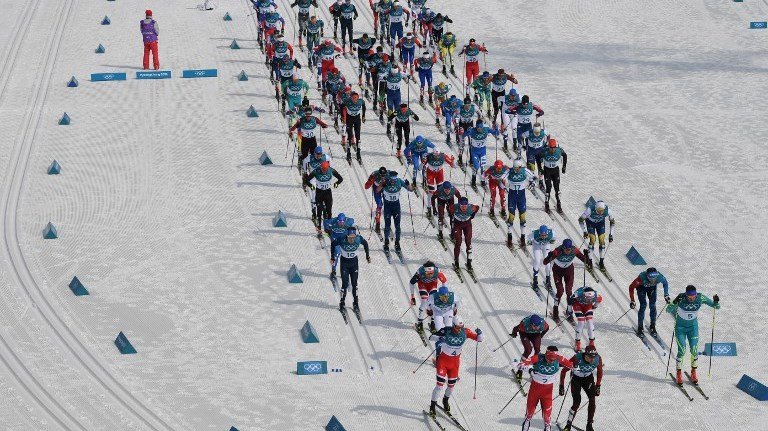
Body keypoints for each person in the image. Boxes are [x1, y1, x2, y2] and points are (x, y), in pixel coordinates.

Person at [427, 316, 482, 417]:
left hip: (454, 364)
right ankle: (432, 407)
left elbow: (479, 339)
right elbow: (431, 337)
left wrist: (480, 333)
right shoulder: (446, 330)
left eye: (460, 327)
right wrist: (440, 338)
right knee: (439, 385)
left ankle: (445, 401)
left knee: (451, 386)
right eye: (457, 327)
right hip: (443, 362)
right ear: (452, 325)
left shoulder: (465, 332)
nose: (459, 329)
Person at [666, 285, 720, 384]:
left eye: (694, 297)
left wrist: (716, 301)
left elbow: (716, 307)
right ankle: (678, 373)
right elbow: (668, 310)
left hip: (693, 328)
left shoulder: (701, 298)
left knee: (694, 350)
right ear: (686, 295)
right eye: (690, 297)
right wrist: (673, 302)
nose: (692, 299)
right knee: (682, 350)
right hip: (680, 328)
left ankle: (693, 372)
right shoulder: (681, 297)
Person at [518, 346, 573, 431]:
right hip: (535, 390)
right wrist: (530, 370)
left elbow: (572, 365)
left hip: (547, 392)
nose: (551, 361)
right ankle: (526, 423)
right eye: (550, 359)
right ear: (546, 355)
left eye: (553, 359)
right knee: (530, 413)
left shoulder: (559, 359)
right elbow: (521, 365)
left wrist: (575, 369)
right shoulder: (538, 357)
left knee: (547, 417)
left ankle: (547, 427)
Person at [559, 345, 603, 431]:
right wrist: (561, 385)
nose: (592, 359)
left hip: (588, 378)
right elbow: (564, 370)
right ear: (585, 355)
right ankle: (568, 425)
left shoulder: (598, 358)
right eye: (590, 357)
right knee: (577, 402)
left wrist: (598, 385)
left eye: (594, 357)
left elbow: (600, 371)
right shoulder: (577, 358)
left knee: (592, 399)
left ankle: (589, 425)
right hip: (576, 379)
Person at [543, 239, 589, 319]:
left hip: (569, 270)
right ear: (563, 248)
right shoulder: (557, 251)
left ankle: (569, 310)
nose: (568, 251)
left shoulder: (574, 250)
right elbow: (545, 262)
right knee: (560, 291)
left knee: (569, 291)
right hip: (558, 270)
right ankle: (555, 310)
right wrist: (549, 256)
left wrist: (586, 256)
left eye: (569, 249)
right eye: (566, 249)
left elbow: (586, 261)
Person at [331, 227, 370, 311]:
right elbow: (333, 244)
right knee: (344, 284)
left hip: (354, 264)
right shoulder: (342, 239)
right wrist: (332, 257)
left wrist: (367, 256)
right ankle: (342, 302)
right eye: (350, 237)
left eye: (353, 237)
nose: (352, 239)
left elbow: (366, 243)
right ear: (347, 236)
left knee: (354, 284)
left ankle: (356, 303)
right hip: (344, 264)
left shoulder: (358, 238)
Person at [377, 170, 415, 252]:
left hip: (396, 206)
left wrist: (408, 184)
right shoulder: (386, 181)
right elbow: (377, 190)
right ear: (389, 178)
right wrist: (382, 185)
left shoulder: (399, 181)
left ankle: (397, 243)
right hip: (387, 206)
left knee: (397, 226)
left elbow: (411, 190)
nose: (393, 181)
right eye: (392, 179)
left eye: (394, 179)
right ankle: (386, 243)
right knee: (387, 225)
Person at [503, 159, 536, 248]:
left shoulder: (524, 170)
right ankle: (509, 237)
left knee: (522, 217)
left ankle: (522, 238)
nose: (516, 170)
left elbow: (533, 177)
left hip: (521, 197)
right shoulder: (509, 171)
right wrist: (503, 186)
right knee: (511, 217)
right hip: (512, 196)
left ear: (520, 167)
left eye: (518, 168)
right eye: (515, 168)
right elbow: (501, 179)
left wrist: (532, 183)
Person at [303, 161, 343, 232]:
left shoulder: (331, 170)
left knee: (329, 211)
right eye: (323, 170)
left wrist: (337, 183)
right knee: (319, 210)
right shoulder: (316, 171)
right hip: (319, 193)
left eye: (325, 170)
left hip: (328, 192)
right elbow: (307, 180)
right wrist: (311, 185)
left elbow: (340, 178)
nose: (324, 171)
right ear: (321, 167)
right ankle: (319, 227)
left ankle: (329, 227)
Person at [629, 267, 669, 337]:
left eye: (654, 278)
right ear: (647, 276)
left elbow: (665, 283)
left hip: (652, 289)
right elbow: (631, 287)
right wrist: (632, 300)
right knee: (643, 305)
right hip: (641, 288)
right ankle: (640, 328)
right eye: (650, 278)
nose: (653, 280)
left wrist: (666, 295)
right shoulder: (641, 278)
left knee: (653, 305)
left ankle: (653, 326)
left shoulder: (659, 277)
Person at [409, 261, 448, 332]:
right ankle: (420, 322)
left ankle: (433, 323)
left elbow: (444, 281)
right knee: (424, 300)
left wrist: (444, 294)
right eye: (427, 273)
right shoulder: (420, 272)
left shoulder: (437, 271)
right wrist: (412, 297)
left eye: (431, 273)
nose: (430, 275)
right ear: (424, 271)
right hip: (422, 284)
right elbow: (411, 283)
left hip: (432, 285)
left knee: (434, 302)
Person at [578, 200, 615, 270]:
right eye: (599, 210)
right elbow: (580, 220)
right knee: (593, 239)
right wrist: (584, 231)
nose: (601, 212)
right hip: (590, 223)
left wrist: (611, 234)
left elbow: (612, 222)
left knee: (602, 240)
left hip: (600, 224)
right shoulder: (589, 210)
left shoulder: (608, 211)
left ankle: (601, 261)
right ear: (595, 208)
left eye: (602, 211)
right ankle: (590, 261)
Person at [466, 118, 499, 188]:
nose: (479, 129)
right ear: (476, 127)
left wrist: (496, 129)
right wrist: (466, 131)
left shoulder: (486, 129)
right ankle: (473, 179)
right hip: (474, 152)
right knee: (476, 166)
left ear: (482, 127)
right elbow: (463, 135)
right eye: (478, 128)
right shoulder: (472, 130)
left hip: (483, 151)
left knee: (483, 166)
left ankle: (482, 180)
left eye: (480, 128)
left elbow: (496, 133)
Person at [303, 147, 331, 222]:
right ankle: (314, 212)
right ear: (314, 153)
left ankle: (324, 212)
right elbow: (304, 161)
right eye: (317, 154)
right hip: (313, 178)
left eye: (320, 154)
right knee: (313, 194)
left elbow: (330, 160)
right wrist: (305, 172)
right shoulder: (310, 157)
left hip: (321, 179)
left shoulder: (325, 157)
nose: (318, 156)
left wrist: (329, 169)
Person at [570, 286, 602, 352]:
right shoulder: (578, 294)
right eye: (587, 299)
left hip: (587, 307)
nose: (589, 300)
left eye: (591, 299)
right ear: (584, 295)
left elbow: (599, 300)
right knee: (581, 322)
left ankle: (591, 341)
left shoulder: (596, 296)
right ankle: (577, 342)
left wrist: (594, 306)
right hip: (578, 305)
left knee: (590, 322)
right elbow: (570, 301)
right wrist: (569, 310)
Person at [424, 150, 454, 218]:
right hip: (430, 175)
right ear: (433, 154)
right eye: (435, 155)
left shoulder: (443, 156)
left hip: (439, 175)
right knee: (431, 193)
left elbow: (452, 165)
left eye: (438, 155)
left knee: (441, 193)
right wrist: (422, 163)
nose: (437, 157)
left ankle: (440, 208)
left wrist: (452, 162)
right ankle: (429, 209)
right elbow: (420, 167)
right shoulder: (428, 156)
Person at [451, 197, 479, 270]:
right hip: (458, 224)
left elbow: (477, 207)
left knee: (468, 242)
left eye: (465, 206)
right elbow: (449, 209)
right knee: (458, 242)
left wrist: (473, 214)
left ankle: (469, 262)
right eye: (462, 206)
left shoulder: (471, 208)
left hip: (467, 224)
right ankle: (456, 261)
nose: (464, 208)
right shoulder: (454, 207)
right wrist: (452, 217)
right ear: (459, 204)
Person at [542, 138, 567, 213]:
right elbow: (538, 157)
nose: (552, 150)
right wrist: (540, 168)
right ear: (548, 147)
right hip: (547, 171)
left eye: (554, 148)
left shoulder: (559, 150)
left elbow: (565, 155)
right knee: (548, 188)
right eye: (550, 148)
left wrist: (564, 166)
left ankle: (559, 204)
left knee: (557, 188)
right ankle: (546, 204)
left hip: (555, 171)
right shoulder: (544, 151)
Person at [528, 225, 556, 290]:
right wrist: (529, 242)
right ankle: (535, 280)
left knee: (548, 262)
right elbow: (528, 237)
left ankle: (548, 280)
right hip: (536, 245)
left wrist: (552, 241)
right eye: (542, 235)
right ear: (539, 233)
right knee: (537, 261)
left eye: (545, 235)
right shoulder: (535, 234)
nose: (543, 237)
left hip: (546, 245)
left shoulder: (551, 233)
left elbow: (554, 238)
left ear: (547, 233)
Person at [341, 91, 366, 161]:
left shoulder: (360, 101)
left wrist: (363, 115)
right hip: (349, 119)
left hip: (357, 119)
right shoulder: (347, 101)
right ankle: (348, 153)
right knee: (350, 135)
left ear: (358, 98)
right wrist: (342, 116)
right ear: (351, 98)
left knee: (358, 137)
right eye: (353, 99)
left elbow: (364, 106)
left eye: (356, 99)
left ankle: (358, 153)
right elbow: (341, 106)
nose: (355, 101)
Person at [364, 167, 388, 234]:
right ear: (379, 174)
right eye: (382, 175)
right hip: (376, 189)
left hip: (384, 188)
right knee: (379, 205)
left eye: (384, 175)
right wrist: (370, 181)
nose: (383, 177)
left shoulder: (388, 174)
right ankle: (377, 223)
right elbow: (366, 187)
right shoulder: (374, 175)